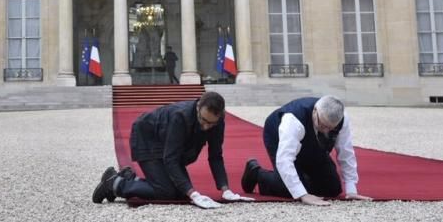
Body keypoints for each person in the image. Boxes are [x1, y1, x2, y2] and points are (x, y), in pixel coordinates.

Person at [93, 91, 252, 208]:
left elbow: (216, 156)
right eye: (203, 120)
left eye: (211, 123)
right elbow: (171, 158)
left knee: (180, 192)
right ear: (198, 107)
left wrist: (226, 190)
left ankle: (131, 178)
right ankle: (116, 182)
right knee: (167, 193)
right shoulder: (180, 116)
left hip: (167, 145)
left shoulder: (218, 121)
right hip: (147, 139)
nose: (206, 126)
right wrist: (193, 193)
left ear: (221, 115)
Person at [240, 95, 371, 206]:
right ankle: (257, 173)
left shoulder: (342, 119)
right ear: (315, 111)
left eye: (330, 128)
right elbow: (284, 159)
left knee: (332, 188)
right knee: (290, 190)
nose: (325, 131)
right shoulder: (293, 120)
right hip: (277, 136)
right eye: (323, 125)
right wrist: (303, 195)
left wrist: (351, 189)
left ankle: (302, 178)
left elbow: (346, 153)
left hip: (313, 146)